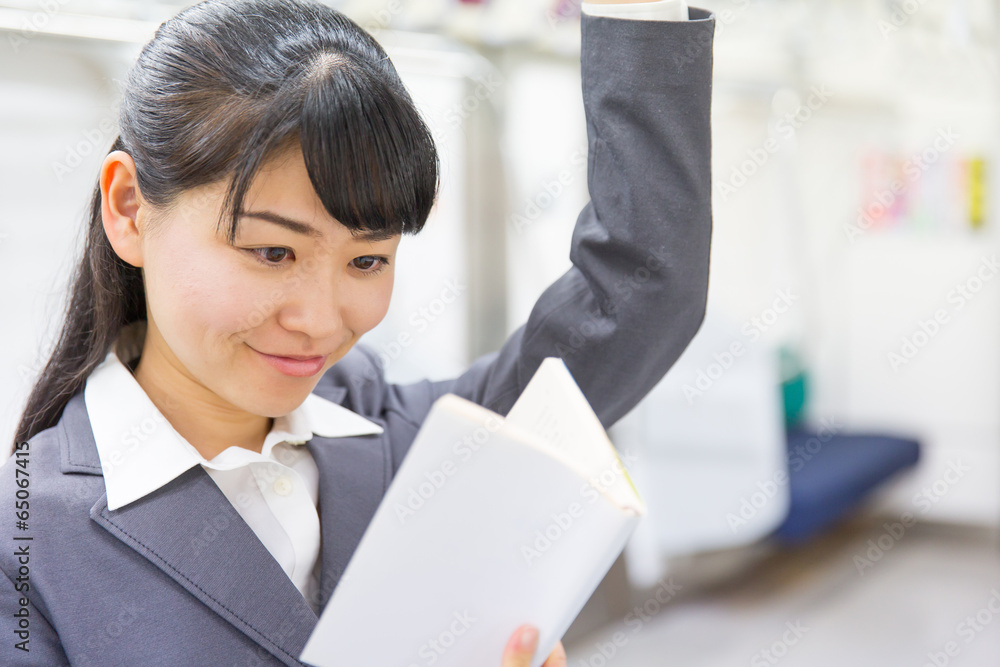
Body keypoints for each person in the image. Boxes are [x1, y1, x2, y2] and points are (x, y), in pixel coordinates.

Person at [0, 0, 714, 664]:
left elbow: (643, 288)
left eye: (367, 259)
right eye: (271, 251)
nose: (318, 319)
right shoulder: (25, 542)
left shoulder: (407, 441)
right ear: (128, 209)